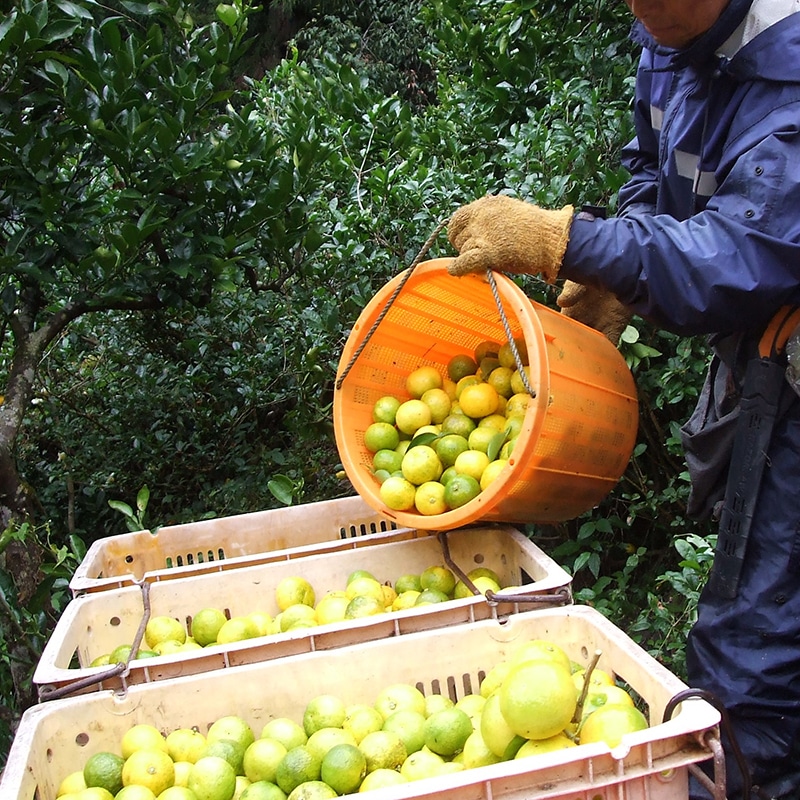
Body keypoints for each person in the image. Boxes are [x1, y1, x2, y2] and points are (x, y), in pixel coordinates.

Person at [445, 1, 800, 798]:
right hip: (764, 369)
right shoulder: (672, 34)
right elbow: (657, 166)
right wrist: (625, 264)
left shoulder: (791, 67)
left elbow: (748, 251)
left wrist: (575, 242)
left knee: (753, 664)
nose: (646, 13)